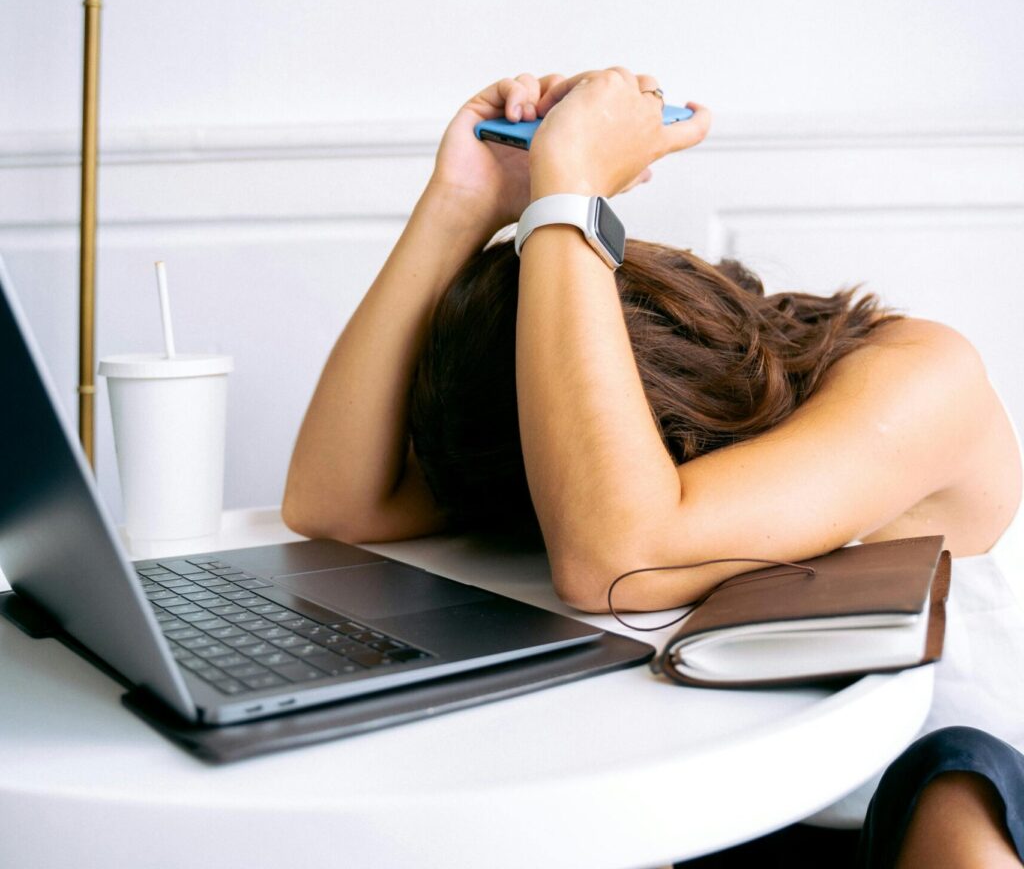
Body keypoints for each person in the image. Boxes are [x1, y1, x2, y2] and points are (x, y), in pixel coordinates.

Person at [281, 69, 1024, 866]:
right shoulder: (587, 470)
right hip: (704, 805)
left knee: (954, 787)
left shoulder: (921, 376)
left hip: (892, 809)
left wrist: (569, 188)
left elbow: (620, 562)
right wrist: (464, 201)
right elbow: (337, 506)